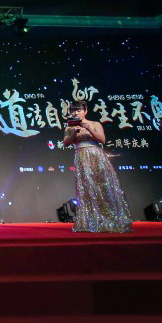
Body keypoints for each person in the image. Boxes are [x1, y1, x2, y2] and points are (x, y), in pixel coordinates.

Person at [63, 100, 132, 233]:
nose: (75, 113)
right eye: (73, 110)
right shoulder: (69, 128)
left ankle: (110, 219)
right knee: (87, 188)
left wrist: (88, 128)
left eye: (78, 110)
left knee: (102, 185)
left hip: (96, 156)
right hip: (81, 157)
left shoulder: (95, 124)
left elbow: (102, 140)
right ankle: (92, 220)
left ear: (85, 111)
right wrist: (74, 133)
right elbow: (65, 143)